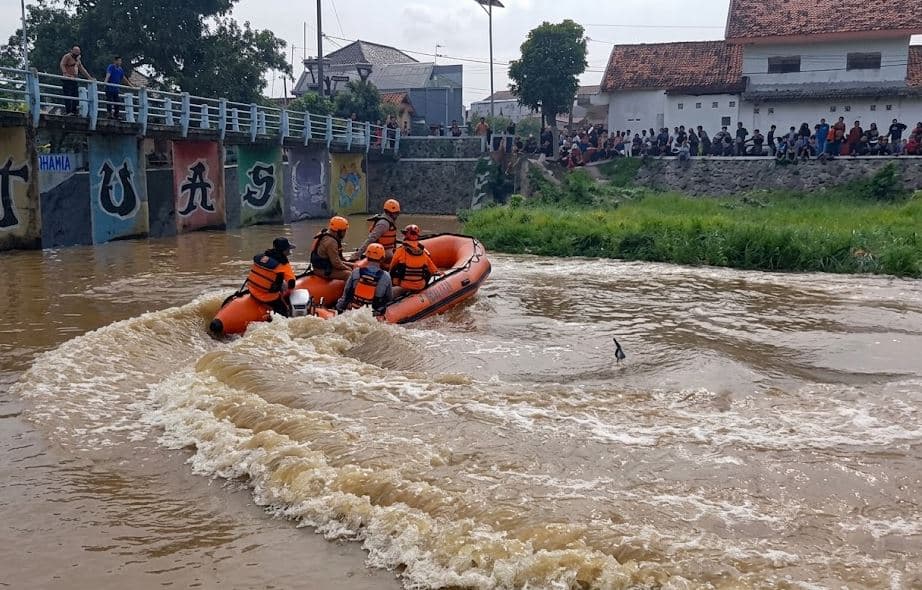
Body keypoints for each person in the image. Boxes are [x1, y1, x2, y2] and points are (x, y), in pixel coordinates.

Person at [336, 243, 393, 316]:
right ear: (382, 258)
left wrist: (338, 308)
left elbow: (346, 294)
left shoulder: (356, 272)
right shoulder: (386, 276)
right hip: (372, 313)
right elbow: (389, 297)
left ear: (366, 256)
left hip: (353, 310)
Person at [246, 237, 297, 317]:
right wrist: (287, 294)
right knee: (285, 314)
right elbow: (292, 284)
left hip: (252, 290)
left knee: (278, 280)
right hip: (267, 297)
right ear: (285, 251)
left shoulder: (262, 257)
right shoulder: (283, 265)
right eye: (288, 249)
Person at [390, 224, 442, 292]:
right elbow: (432, 268)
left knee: (393, 271)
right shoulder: (422, 252)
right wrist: (439, 273)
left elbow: (392, 267)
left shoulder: (400, 250)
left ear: (406, 235)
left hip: (404, 285)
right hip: (420, 285)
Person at [310, 216, 354, 281]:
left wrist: (352, 265)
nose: (345, 233)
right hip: (322, 270)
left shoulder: (325, 233)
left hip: (326, 265)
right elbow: (336, 264)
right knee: (349, 274)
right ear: (338, 231)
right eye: (344, 231)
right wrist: (349, 269)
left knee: (354, 266)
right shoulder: (331, 242)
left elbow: (337, 260)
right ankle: (349, 291)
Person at [357, 198, 400, 264]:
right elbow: (371, 239)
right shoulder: (383, 224)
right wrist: (357, 254)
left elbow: (392, 239)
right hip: (379, 252)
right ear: (389, 213)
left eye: (397, 213)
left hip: (387, 251)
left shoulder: (390, 222)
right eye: (396, 213)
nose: (397, 215)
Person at [59, 45, 93, 116]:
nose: (76, 55)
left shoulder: (78, 60)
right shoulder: (67, 56)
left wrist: (89, 78)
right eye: (75, 53)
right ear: (72, 51)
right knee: (68, 95)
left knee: (75, 95)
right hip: (67, 79)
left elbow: (82, 70)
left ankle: (74, 111)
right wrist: (65, 73)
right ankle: (68, 111)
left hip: (74, 79)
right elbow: (62, 64)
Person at [103, 55, 134, 119]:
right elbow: (108, 74)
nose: (120, 62)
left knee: (117, 102)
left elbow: (123, 78)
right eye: (119, 61)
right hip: (109, 88)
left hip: (116, 89)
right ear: (115, 61)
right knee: (109, 101)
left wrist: (130, 85)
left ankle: (116, 115)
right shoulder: (111, 67)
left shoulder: (120, 69)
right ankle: (109, 114)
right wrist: (105, 82)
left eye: (120, 61)